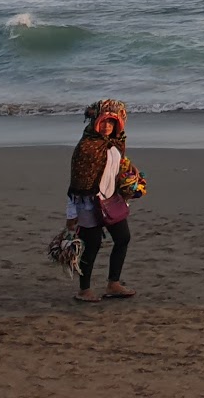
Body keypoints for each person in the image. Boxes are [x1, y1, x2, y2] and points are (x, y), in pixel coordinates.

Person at [65, 99, 136, 303]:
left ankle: (113, 284)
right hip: (87, 203)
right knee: (92, 244)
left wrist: (130, 177)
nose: (107, 126)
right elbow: (76, 183)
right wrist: (72, 214)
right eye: (104, 122)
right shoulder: (86, 147)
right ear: (96, 122)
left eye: (111, 123)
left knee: (123, 238)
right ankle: (84, 290)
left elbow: (118, 166)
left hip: (111, 200)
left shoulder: (117, 142)